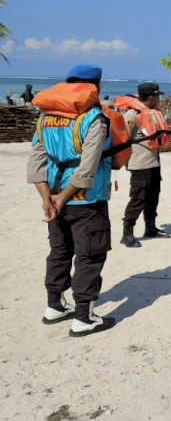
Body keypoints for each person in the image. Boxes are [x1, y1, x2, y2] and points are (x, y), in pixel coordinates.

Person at [27, 64, 117, 336]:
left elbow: (35, 163)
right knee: (90, 255)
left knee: (59, 251)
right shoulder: (94, 118)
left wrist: (49, 200)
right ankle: (83, 318)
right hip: (87, 201)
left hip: (53, 196)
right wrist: (63, 198)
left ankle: (54, 306)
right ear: (96, 86)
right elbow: (87, 168)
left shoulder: (46, 117)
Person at [119, 83, 171, 248]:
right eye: (157, 96)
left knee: (153, 196)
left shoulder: (153, 113)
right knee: (138, 198)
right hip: (140, 164)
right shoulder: (132, 115)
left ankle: (150, 227)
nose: (158, 99)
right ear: (150, 97)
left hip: (154, 162)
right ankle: (127, 233)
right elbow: (122, 138)